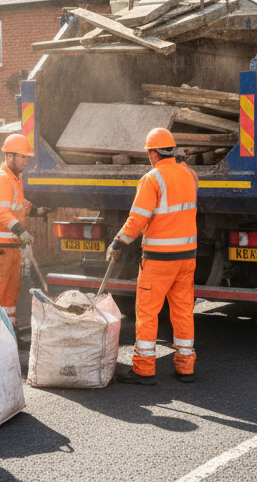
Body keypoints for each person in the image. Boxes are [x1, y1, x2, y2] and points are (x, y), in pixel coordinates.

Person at [107, 128, 199, 384]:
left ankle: (144, 368)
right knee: (182, 310)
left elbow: (138, 218)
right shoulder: (191, 175)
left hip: (159, 258)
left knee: (147, 312)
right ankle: (185, 366)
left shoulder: (152, 178)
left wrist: (119, 241)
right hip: (187, 257)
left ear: (154, 153)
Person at [0, 133, 36, 324]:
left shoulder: (14, 178)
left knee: (11, 292)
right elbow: (2, 213)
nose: (26, 160)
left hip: (9, 246)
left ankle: (9, 332)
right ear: (9, 156)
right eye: (22, 156)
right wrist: (22, 232)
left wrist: (35, 211)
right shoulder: (3, 179)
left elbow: (17, 205)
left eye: (27, 157)